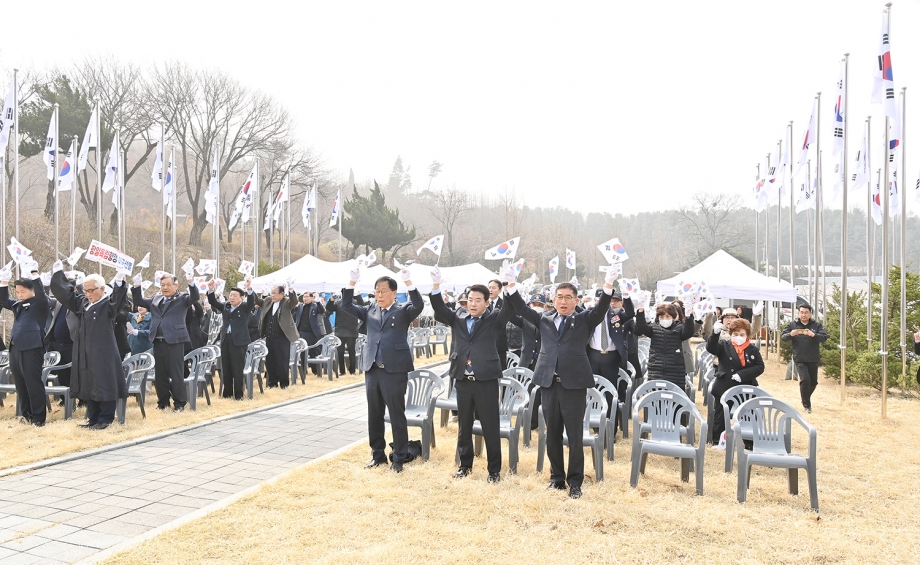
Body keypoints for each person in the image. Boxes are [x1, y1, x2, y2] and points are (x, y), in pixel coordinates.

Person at [505, 264, 617, 499]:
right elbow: (522, 310)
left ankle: (575, 482)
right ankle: (556, 478)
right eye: (559, 297)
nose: (563, 302)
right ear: (553, 299)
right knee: (551, 433)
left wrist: (608, 286)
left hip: (574, 384)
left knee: (574, 435)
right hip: (549, 383)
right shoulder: (544, 319)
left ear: (576, 301)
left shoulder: (584, 319)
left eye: (568, 297)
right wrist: (511, 285)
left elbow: (601, 309)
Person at [430, 272, 514, 482]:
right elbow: (439, 308)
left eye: (478, 300)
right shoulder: (458, 317)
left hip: (485, 380)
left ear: (487, 302)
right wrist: (436, 284)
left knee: (490, 426)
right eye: (470, 300)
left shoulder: (494, 319)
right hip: (462, 379)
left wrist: (510, 284)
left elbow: (511, 308)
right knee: (464, 425)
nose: (473, 304)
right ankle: (465, 465)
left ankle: (494, 471)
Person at [340, 267, 423, 473]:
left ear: (394, 293)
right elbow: (346, 305)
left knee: (396, 414)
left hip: (394, 370)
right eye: (377, 291)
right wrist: (351, 282)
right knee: (374, 414)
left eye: (383, 291)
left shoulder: (403, 310)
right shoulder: (370, 310)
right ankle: (377, 455)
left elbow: (419, 305)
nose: (379, 295)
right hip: (373, 368)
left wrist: (409, 282)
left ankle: (399, 458)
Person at [50, 265, 129, 429]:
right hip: (84, 352)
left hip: (103, 352)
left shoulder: (107, 305)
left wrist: (120, 281)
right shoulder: (83, 303)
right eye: (85, 290)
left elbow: (118, 301)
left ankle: (105, 418)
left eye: (92, 290)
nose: (88, 294)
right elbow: (67, 295)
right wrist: (58, 274)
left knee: (104, 384)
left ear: (102, 289)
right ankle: (92, 418)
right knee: (89, 384)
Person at [131, 272, 200, 411]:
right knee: (160, 374)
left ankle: (179, 403)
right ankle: (163, 402)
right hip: (158, 341)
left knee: (176, 373)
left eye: (168, 285)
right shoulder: (156, 298)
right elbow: (138, 301)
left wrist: (191, 281)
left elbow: (195, 297)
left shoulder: (182, 298)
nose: (165, 287)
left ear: (176, 286)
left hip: (175, 341)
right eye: (162, 285)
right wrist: (137, 285)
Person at [0, 266, 50, 426]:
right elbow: (3, 300)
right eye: (18, 292)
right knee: (20, 383)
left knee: (33, 382)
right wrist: (3, 282)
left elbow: (42, 295)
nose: (20, 295)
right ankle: (26, 415)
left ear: (32, 290)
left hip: (32, 347)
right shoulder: (18, 305)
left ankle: (38, 418)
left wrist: (35, 274)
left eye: (23, 291)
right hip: (16, 347)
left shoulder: (40, 304)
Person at [705, 317, 764, 444]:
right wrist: (715, 334)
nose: (738, 337)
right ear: (731, 334)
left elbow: (760, 367)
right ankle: (718, 441)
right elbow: (711, 348)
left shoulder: (753, 349)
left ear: (747, 335)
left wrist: (742, 375)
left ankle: (748, 442)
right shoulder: (724, 345)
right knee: (720, 414)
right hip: (724, 385)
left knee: (748, 413)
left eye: (742, 334)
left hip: (746, 386)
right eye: (735, 334)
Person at [587, 288, 635, 435]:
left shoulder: (615, 314)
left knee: (609, 392)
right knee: (592, 392)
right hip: (593, 356)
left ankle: (609, 429)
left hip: (611, 357)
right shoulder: (589, 314)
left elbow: (630, 314)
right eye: (599, 300)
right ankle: (594, 425)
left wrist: (626, 296)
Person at [208, 277, 255, 400]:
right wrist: (211, 289)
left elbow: (251, 302)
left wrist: (249, 288)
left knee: (237, 367)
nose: (232, 297)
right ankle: (227, 393)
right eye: (230, 295)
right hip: (226, 339)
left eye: (235, 295)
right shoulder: (226, 306)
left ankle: (238, 394)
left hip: (239, 341)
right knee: (226, 367)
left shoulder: (245, 307)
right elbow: (213, 302)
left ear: (241, 297)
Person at [634, 302, 700, 389]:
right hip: (656, 370)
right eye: (661, 317)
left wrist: (689, 316)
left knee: (674, 397)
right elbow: (642, 327)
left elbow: (688, 332)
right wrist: (640, 312)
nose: (664, 319)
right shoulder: (654, 328)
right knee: (656, 397)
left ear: (673, 317)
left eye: (668, 316)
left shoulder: (679, 328)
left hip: (675, 371)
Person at [781, 304, 828, 413]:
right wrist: (791, 334)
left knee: (813, 382)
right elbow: (784, 337)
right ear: (798, 313)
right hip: (799, 358)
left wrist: (814, 335)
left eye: (806, 312)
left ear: (810, 313)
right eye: (801, 312)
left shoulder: (816, 325)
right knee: (805, 380)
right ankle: (807, 405)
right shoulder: (793, 324)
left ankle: (805, 396)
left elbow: (824, 337)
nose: (804, 315)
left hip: (813, 358)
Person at [259, 282, 299, 388]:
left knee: (282, 360)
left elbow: (294, 301)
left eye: (275, 293)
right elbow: (258, 301)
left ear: (282, 294)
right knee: (270, 360)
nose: (272, 295)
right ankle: (272, 382)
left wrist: (291, 289)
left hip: (282, 337)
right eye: (271, 293)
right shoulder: (268, 301)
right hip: (269, 336)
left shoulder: (286, 302)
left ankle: (284, 383)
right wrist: (249, 290)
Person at [326, 291, 361, 376]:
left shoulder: (354, 302)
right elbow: (329, 308)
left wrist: (358, 294)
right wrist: (331, 300)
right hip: (340, 331)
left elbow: (362, 305)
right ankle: (342, 371)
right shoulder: (338, 303)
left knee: (351, 351)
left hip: (351, 330)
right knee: (340, 352)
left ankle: (352, 370)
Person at [295, 292, 327, 375]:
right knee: (302, 352)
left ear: (312, 298)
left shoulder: (315, 306)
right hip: (302, 332)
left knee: (314, 351)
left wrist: (318, 302)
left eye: (307, 297)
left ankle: (315, 370)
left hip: (312, 332)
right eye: (304, 297)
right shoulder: (300, 306)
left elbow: (322, 311)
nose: (305, 298)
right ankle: (303, 370)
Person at [487, 279, 509, 369]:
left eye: (493, 288)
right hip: (486, 343)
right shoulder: (484, 304)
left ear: (500, 290)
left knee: (501, 369)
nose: (490, 290)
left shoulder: (504, 304)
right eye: (489, 288)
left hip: (499, 343)